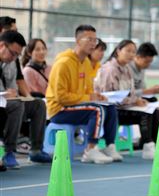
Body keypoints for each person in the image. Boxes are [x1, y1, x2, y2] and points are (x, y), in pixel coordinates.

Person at [46, 25, 122, 164]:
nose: (94, 44)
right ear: (78, 40)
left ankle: (110, 146)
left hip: (75, 105)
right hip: (59, 110)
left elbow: (87, 92)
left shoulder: (86, 62)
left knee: (109, 107)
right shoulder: (63, 63)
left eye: (95, 40)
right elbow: (61, 98)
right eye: (90, 39)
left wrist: (97, 96)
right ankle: (90, 150)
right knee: (96, 110)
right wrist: (89, 98)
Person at [94, 40, 159, 160]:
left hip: (124, 107)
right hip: (112, 110)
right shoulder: (110, 69)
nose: (131, 54)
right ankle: (147, 147)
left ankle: (156, 145)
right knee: (145, 114)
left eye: (133, 51)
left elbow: (130, 92)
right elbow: (109, 97)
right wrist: (135, 100)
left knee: (151, 108)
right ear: (118, 51)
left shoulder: (126, 69)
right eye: (128, 51)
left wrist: (137, 100)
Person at [1, 31, 51, 167]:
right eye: (13, 53)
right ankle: (9, 151)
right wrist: (6, 94)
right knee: (16, 105)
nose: (15, 57)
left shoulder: (11, 62)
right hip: (4, 103)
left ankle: (36, 150)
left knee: (38, 104)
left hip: (8, 102)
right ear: (1, 46)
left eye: (17, 54)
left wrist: (19, 95)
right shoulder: (28, 69)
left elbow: (14, 89)